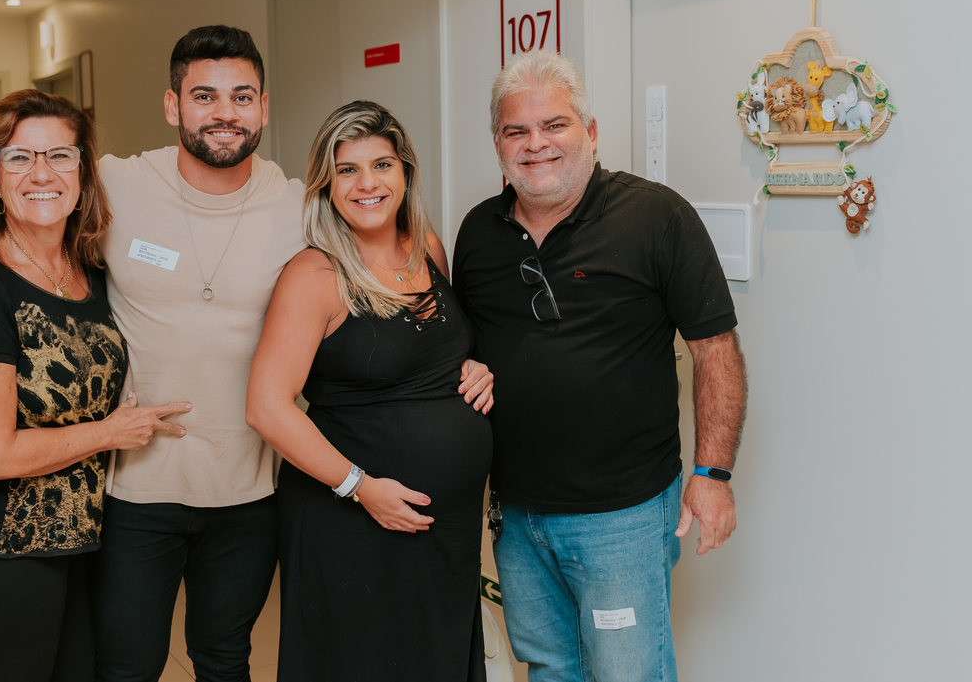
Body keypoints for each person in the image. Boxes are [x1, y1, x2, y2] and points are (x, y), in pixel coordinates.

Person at [0, 26, 303, 681]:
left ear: (264, 108)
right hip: (123, 494)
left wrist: (459, 352)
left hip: (238, 491)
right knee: (124, 664)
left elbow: (396, 242)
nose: (224, 112)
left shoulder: (301, 203)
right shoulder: (121, 184)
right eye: (204, 95)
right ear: (172, 104)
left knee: (222, 658)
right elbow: (10, 258)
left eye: (242, 96)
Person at [451, 50, 748, 682]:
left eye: (555, 125)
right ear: (498, 144)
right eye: (516, 131)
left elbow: (715, 349)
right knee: (551, 668)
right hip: (518, 517)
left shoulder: (657, 217)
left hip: (624, 518)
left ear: (590, 132)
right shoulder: (477, 234)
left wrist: (713, 473)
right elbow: (469, 350)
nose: (537, 144)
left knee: (627, 674)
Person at [0, 89, 189, 682]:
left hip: (76, 539)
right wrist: (112, 433)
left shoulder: (90, 267)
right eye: (18, 158)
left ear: (82, 174)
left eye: (60, 157)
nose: (41, 173)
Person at [246, 100, 496, 682]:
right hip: (354, 523)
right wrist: (361, 489)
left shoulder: (426, 248)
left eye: (381, 165)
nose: (367, 184)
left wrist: (476, 366)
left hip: (444, 528)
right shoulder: (314, 275)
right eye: (347, 170)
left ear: (405, 171)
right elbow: (266, 407)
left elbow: (434, 350)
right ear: (326, 185)